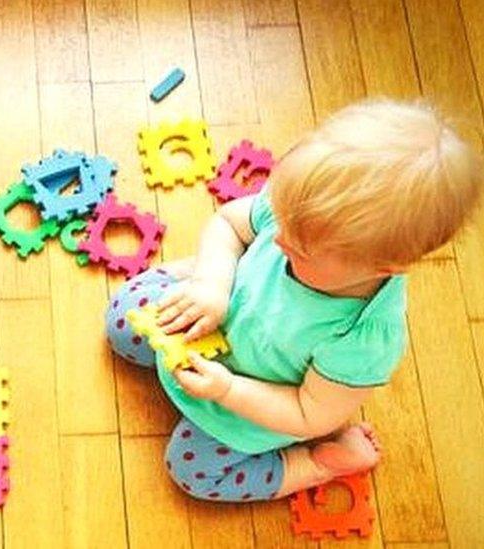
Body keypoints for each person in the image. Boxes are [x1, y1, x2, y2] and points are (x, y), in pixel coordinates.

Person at [107, 100, 483, 502]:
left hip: (252, 401)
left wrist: (227, 391)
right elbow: (229, 223)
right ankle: (206, 273)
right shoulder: (300, 211)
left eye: (299, 250)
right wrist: (210, 284)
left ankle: (318, 466)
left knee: (192, 471)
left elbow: (310, 413)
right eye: (281, 220)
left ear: (385, 267)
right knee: (122, 320)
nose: (279, 239)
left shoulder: (363, 340)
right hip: (215, 315)